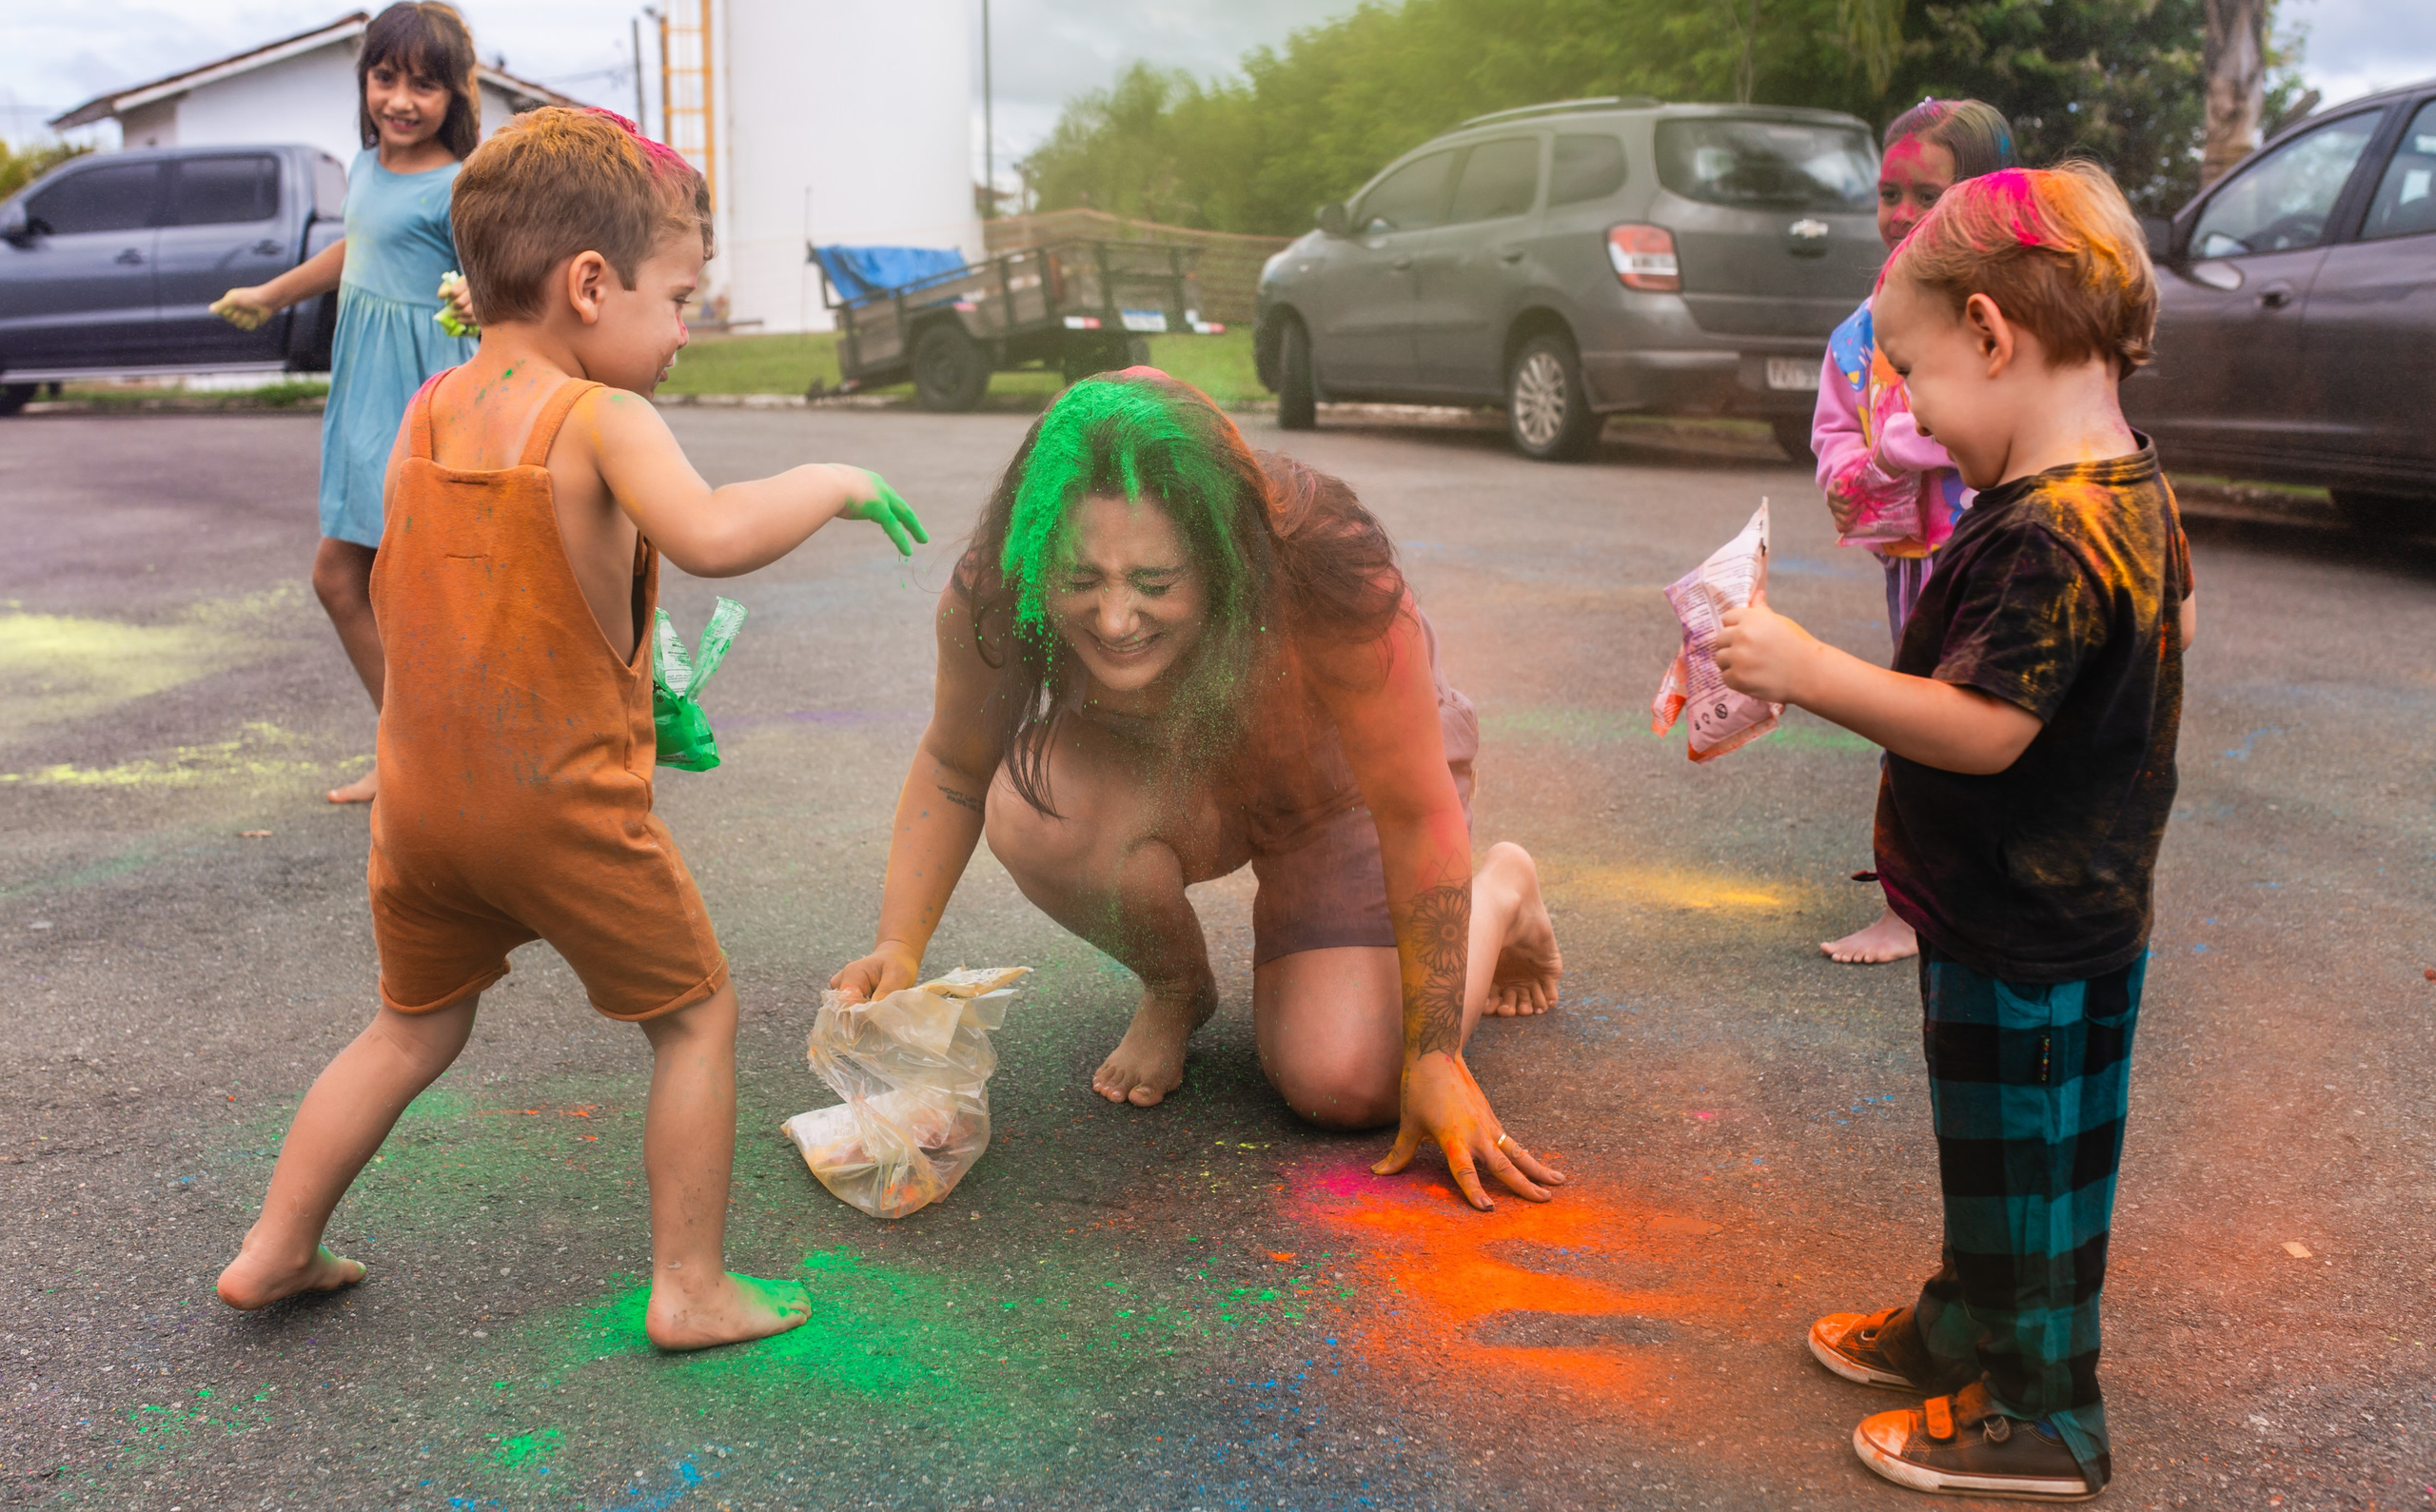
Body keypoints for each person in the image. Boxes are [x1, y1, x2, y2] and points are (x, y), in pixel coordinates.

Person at [215, 107, 928, 1349]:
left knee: (411, 1025)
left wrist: (633, 668)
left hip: (426, 807)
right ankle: (692, 1285)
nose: (685, 324)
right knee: (696, 1014)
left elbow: (436, 600)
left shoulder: (430, 410)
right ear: (589, 285)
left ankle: (274, 1246)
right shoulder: (602, 419)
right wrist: (834, 481)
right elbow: (707, 530)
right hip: (561, 809)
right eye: (680, 295)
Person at [1716, 163, 2196, 1501]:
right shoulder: (2117, 490)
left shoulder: (2056, 527)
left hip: (2040, 923)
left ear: (1994, 333)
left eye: (1914, 374)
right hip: (2018, 901)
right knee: (1996, 1146)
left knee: (2032, 1164)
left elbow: (1986, 728)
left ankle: (2048, 1414)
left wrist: (1806, 668)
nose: (1908, 412)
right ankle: (1966, 1322)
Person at [831, 369, 1566, 1211]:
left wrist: (1435, 1053)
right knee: (1036, 808)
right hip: (1172, 770)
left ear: (1223, 554)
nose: (1113, 620)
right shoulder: (1000, 582)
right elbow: (957, 767)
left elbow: (1414, 810)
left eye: (1153, 583)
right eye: (1081, 579)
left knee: (1346, 1084)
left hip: (1337, 792)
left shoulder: (1330, 574)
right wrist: (899, 943)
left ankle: (1502, 890)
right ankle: (1178, 985)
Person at [213, 0, 483, 805]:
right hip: (362, 387)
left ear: (454, 97)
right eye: (385, 76)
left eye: (424, 85)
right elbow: (356, 246)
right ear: (365, 79)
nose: (400, 98)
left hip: (427, 391)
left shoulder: (458, 182)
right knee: (347, 578)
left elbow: (502, 263)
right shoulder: (365, 170)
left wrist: (479, 291)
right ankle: (418, 750)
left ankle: (436, 754)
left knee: (388, 580)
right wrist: (269, 294)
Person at [1809, 98, 2016, 964]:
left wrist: (1919, 441)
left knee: (1999, 721)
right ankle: (1914, 903)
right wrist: (1883, 459)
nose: (1899, 214)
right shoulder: (1862, 333)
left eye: (1924, 194)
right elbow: (1834, 448)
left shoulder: (2013, 315)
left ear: (1983, 199)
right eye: (1888, 192)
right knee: (1916, 720)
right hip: (1915, 568)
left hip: (2008, 558)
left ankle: (1973, 894)